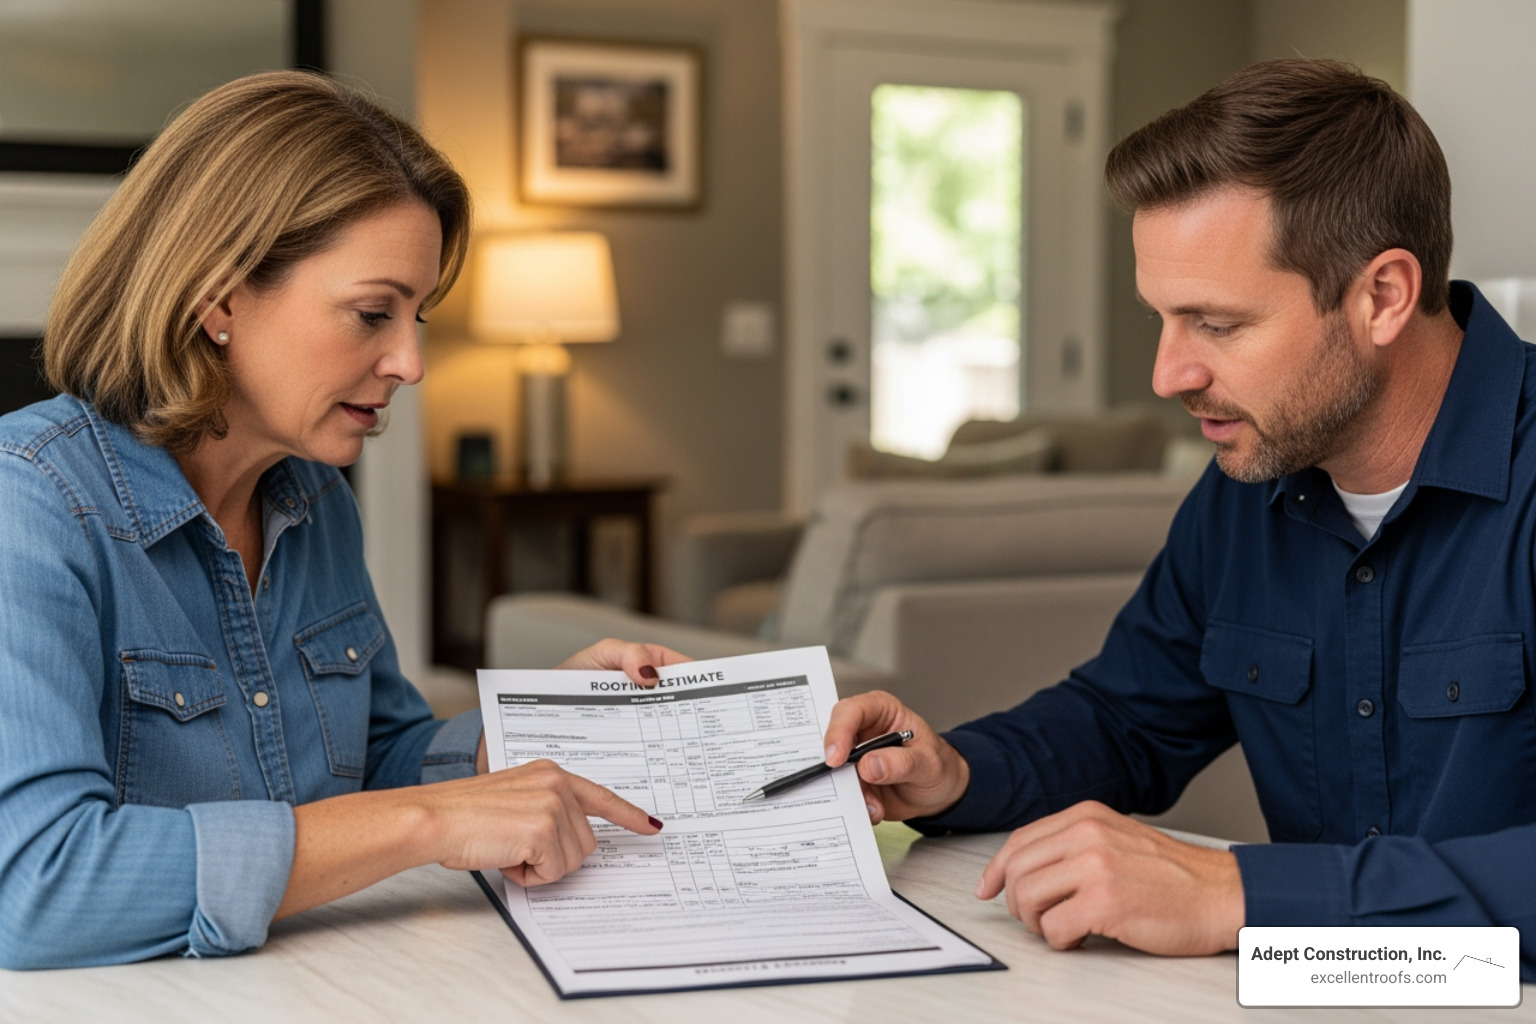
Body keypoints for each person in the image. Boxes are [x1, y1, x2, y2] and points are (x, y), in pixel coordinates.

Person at [824, 58, 1536, 980]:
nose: (1169, 376)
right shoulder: (1251, 481)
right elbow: (1127, 718)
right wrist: (956, 771)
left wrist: (1238, 893)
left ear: (1384, 296)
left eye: (1218, 324)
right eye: (1162, 318)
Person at [0, 71, 684, 970]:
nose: (410, 362)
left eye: (416, 316)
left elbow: (379, 753)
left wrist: (533, 726)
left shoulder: (313, 497)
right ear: (218, 298)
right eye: (372, 313)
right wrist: (427, 820)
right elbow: (38, 887)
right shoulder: (30, 505)